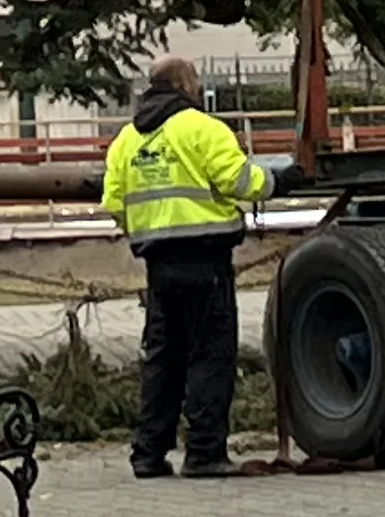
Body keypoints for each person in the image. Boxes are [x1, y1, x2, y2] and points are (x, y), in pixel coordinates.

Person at [102, 53, 271, 480]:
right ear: (183, 84)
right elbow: (239, 181)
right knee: (211, 356)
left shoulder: (127, 139)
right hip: (206, 260)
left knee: (163, 357)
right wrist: (276, 181)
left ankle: (148, 454)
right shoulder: (203, 129)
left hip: (158, 264)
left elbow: (114, 202)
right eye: (194, 80)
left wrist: (151, 230)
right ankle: (204, 452)